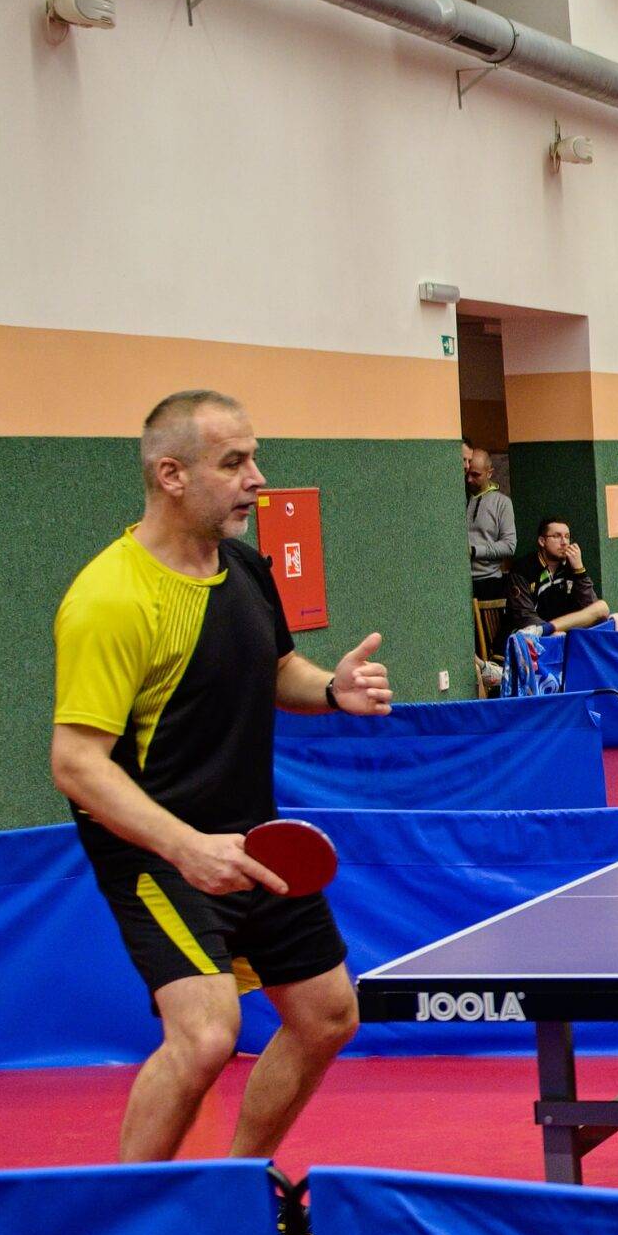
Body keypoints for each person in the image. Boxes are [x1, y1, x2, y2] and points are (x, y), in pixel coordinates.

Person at [50, 390, 395, 1164]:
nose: (257, 478)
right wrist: (186, 848)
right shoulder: (111, 598)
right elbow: (75, 762)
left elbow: (276, 668)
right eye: (234, 462)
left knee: (328, 1015)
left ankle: (235, 1181)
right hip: (155, 852)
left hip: (252, 839)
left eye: (254, 457)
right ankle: (129, 1212)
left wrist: (332, 690)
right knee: (206, 1035)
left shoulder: (243, 566)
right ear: (171, 475)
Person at [504, 517, 618, 640]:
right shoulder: (523, 569)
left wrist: (579, 570)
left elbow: (590, 606)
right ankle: (548, 630)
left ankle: (549, 629)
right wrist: (550, 633)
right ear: (542, 541)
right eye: (557, 536)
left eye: (567, 537)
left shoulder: (571, 565)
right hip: (532, 636)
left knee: (602, 607)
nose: (564, 542)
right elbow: (524, 616)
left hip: (563, 632)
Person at [463, 446, 515, 603]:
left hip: (489, 581)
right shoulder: (459, 498)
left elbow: (509, 546)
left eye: (476, 475)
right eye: (467, 473)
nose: (469, 479)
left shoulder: (502, 503)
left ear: (489, 473)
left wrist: (475, 551)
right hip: (460, 580)